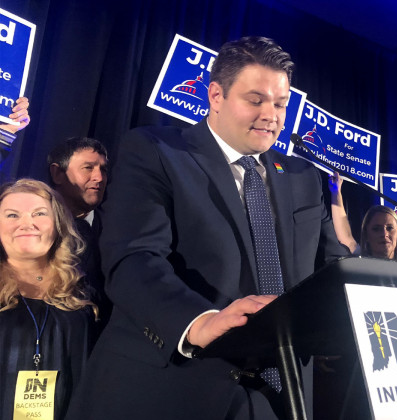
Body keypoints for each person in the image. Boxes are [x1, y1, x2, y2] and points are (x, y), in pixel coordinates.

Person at [65, 36, 348, 420]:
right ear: (216, 95)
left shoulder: (303, 176)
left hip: (282, 397)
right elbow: (133, 259)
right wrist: (197, 322)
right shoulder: (155, 150)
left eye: (280, 104)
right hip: (172, 389)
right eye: (256, 100)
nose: (272, 115)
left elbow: (330, 266)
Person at [0, 178, 97, 420]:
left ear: (57, 225)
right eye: (12, 215)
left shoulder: (80, 292)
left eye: (39, 213)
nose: (27, 223)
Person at [47, 137, 110, 325]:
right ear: (57, 173)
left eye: (104, 169)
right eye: (88, 168)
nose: (99, 178)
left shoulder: (117, 230)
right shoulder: (31, 226)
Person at [328, 171, 397, 262]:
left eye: (390, 228)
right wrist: (335, 191)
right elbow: (345, 236)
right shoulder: (361, 261)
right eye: (376, 229)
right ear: (367, 235)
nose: (384, 233)